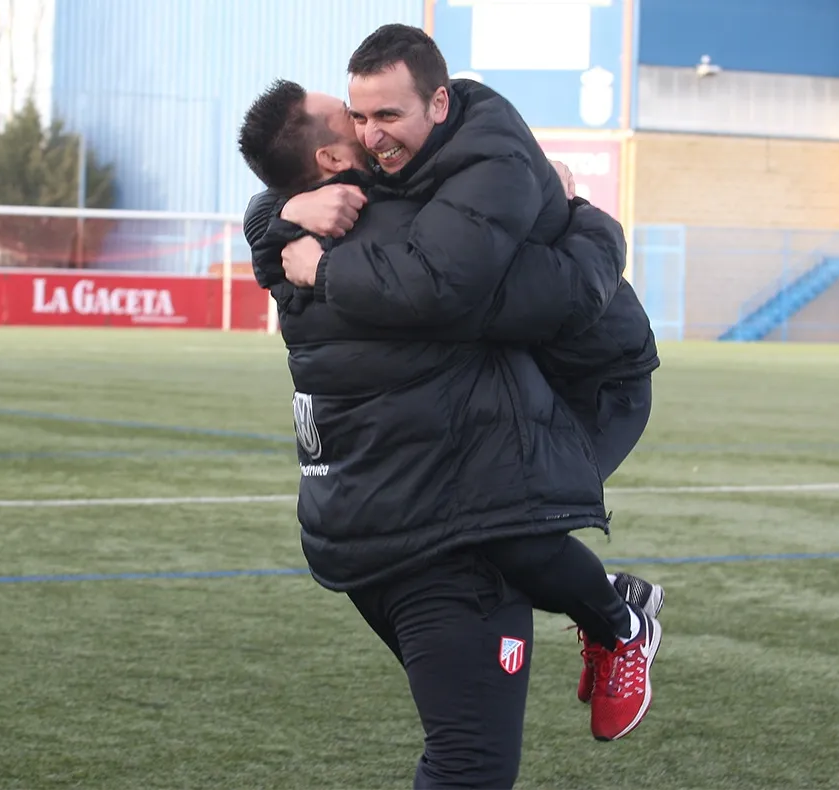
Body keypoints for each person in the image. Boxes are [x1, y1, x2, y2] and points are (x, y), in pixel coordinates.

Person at [236, 47, 657, 790]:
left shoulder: (341, 231)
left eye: (381, 114)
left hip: (575, 393)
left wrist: (285, 222)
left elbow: (521, 293)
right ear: (330, 158)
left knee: (522, 529)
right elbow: (459, 289)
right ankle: (621, 617)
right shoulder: (363, 232)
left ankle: (620, 623)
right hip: (430, 498)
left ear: (435, 104)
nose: (369, 132)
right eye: (353, 118)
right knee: (517, 541)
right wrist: (594, 225)